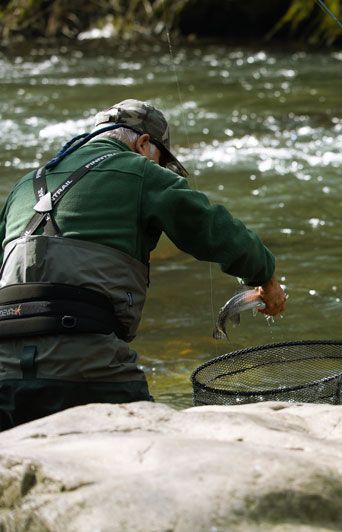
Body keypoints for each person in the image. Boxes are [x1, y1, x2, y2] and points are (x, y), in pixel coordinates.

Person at [0, 99, 286, 430]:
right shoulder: (140, 171)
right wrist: (265, 276)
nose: (161, 169)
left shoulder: (25, 185)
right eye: (163, 161)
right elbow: (212, 228)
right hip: (87, 366)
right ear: (144, 143)